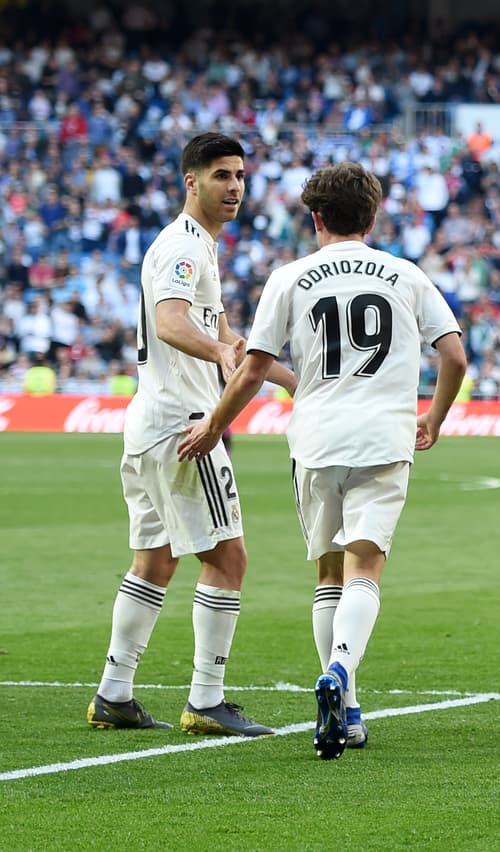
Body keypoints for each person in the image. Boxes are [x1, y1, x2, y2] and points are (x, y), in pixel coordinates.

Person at [178, 162, 467, 760]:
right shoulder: (405, 275)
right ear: (373, 215)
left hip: (315, 440)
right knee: (367, 568)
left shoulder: (289, 278)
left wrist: (214, 424)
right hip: (383, 439)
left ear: (315, 218)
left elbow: (254, 370)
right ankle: (339, 674)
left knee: (329, 574)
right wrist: (434, 417)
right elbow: (455, 358)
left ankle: (350, 710)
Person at [87, 132, 296, 737]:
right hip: (184, 423)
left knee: (153, 561)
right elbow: (171, 323)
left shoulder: (199, 249)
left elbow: (233, 343)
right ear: (191, 181)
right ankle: (207, 699)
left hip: (148, 422)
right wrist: (221, 357)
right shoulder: (182, 247)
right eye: (221, 175)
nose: (234, 187)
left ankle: (113, 693)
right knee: (228, 557)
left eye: (239, 176)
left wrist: (293, 381)